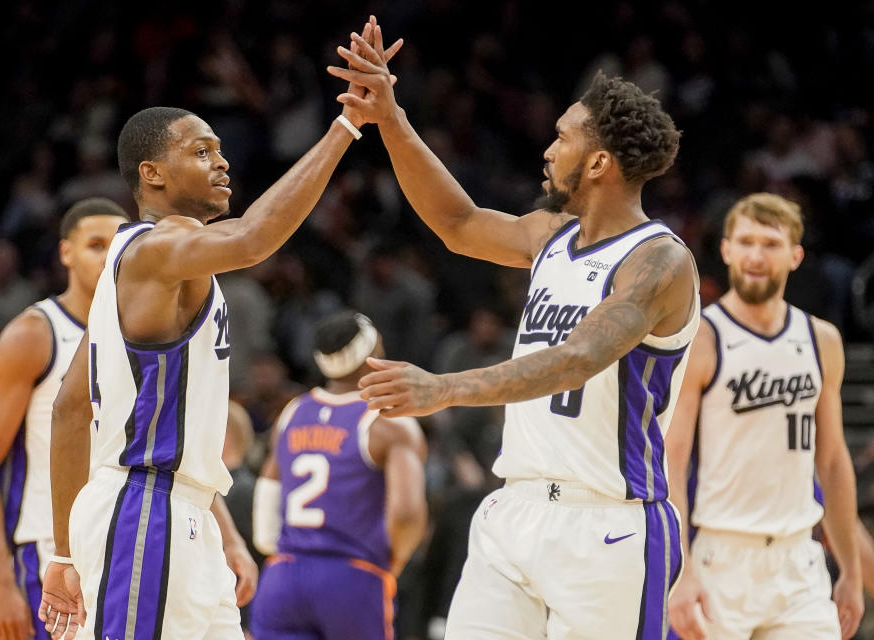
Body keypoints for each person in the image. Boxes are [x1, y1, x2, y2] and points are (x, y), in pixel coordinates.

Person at [39, 20, 404, 640]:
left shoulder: (134, 271)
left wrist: (71, 553)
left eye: (219, 148)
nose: (222, 160)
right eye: (201, 151)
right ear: (152, 174)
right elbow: (255, 239)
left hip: (186, 516)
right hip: (143, 510)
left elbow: (73, 410)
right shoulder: (160, 245)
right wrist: (347, 127)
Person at [331, 31, 698, 639]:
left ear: (600, 162)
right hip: (515, 507)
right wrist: (390, 119)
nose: (548, 150)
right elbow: (457, 222)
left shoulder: (658, 261)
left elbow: (578, 357)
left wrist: (442, 388)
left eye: (562, 138)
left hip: (607, 523)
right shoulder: (551, 233)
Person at [666, 193, 864, 640]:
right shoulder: (703, 336)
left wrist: (850, 572)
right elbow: (671, 460)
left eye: (771, 244)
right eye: (747, 242)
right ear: (726, 250)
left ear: (795, 256)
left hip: (799, 562)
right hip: (721, 558)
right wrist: (680, 569)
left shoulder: (822, 339)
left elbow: (831, 461)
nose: (757, 256)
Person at [0, 197, 128, 640]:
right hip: (48, 550)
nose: (110, 256)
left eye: (119, 246)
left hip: (126, 542)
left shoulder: (143, 333)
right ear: (66, 253)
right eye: (96, 244)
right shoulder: (34, 333)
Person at [249, 310, 427, 640]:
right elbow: (407, 513)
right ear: (372, 356)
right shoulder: (390, 423)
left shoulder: (292, 412)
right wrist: (395, 561)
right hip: (351, 576)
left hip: (284, 575)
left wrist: (279, 551)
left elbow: (266, 503)